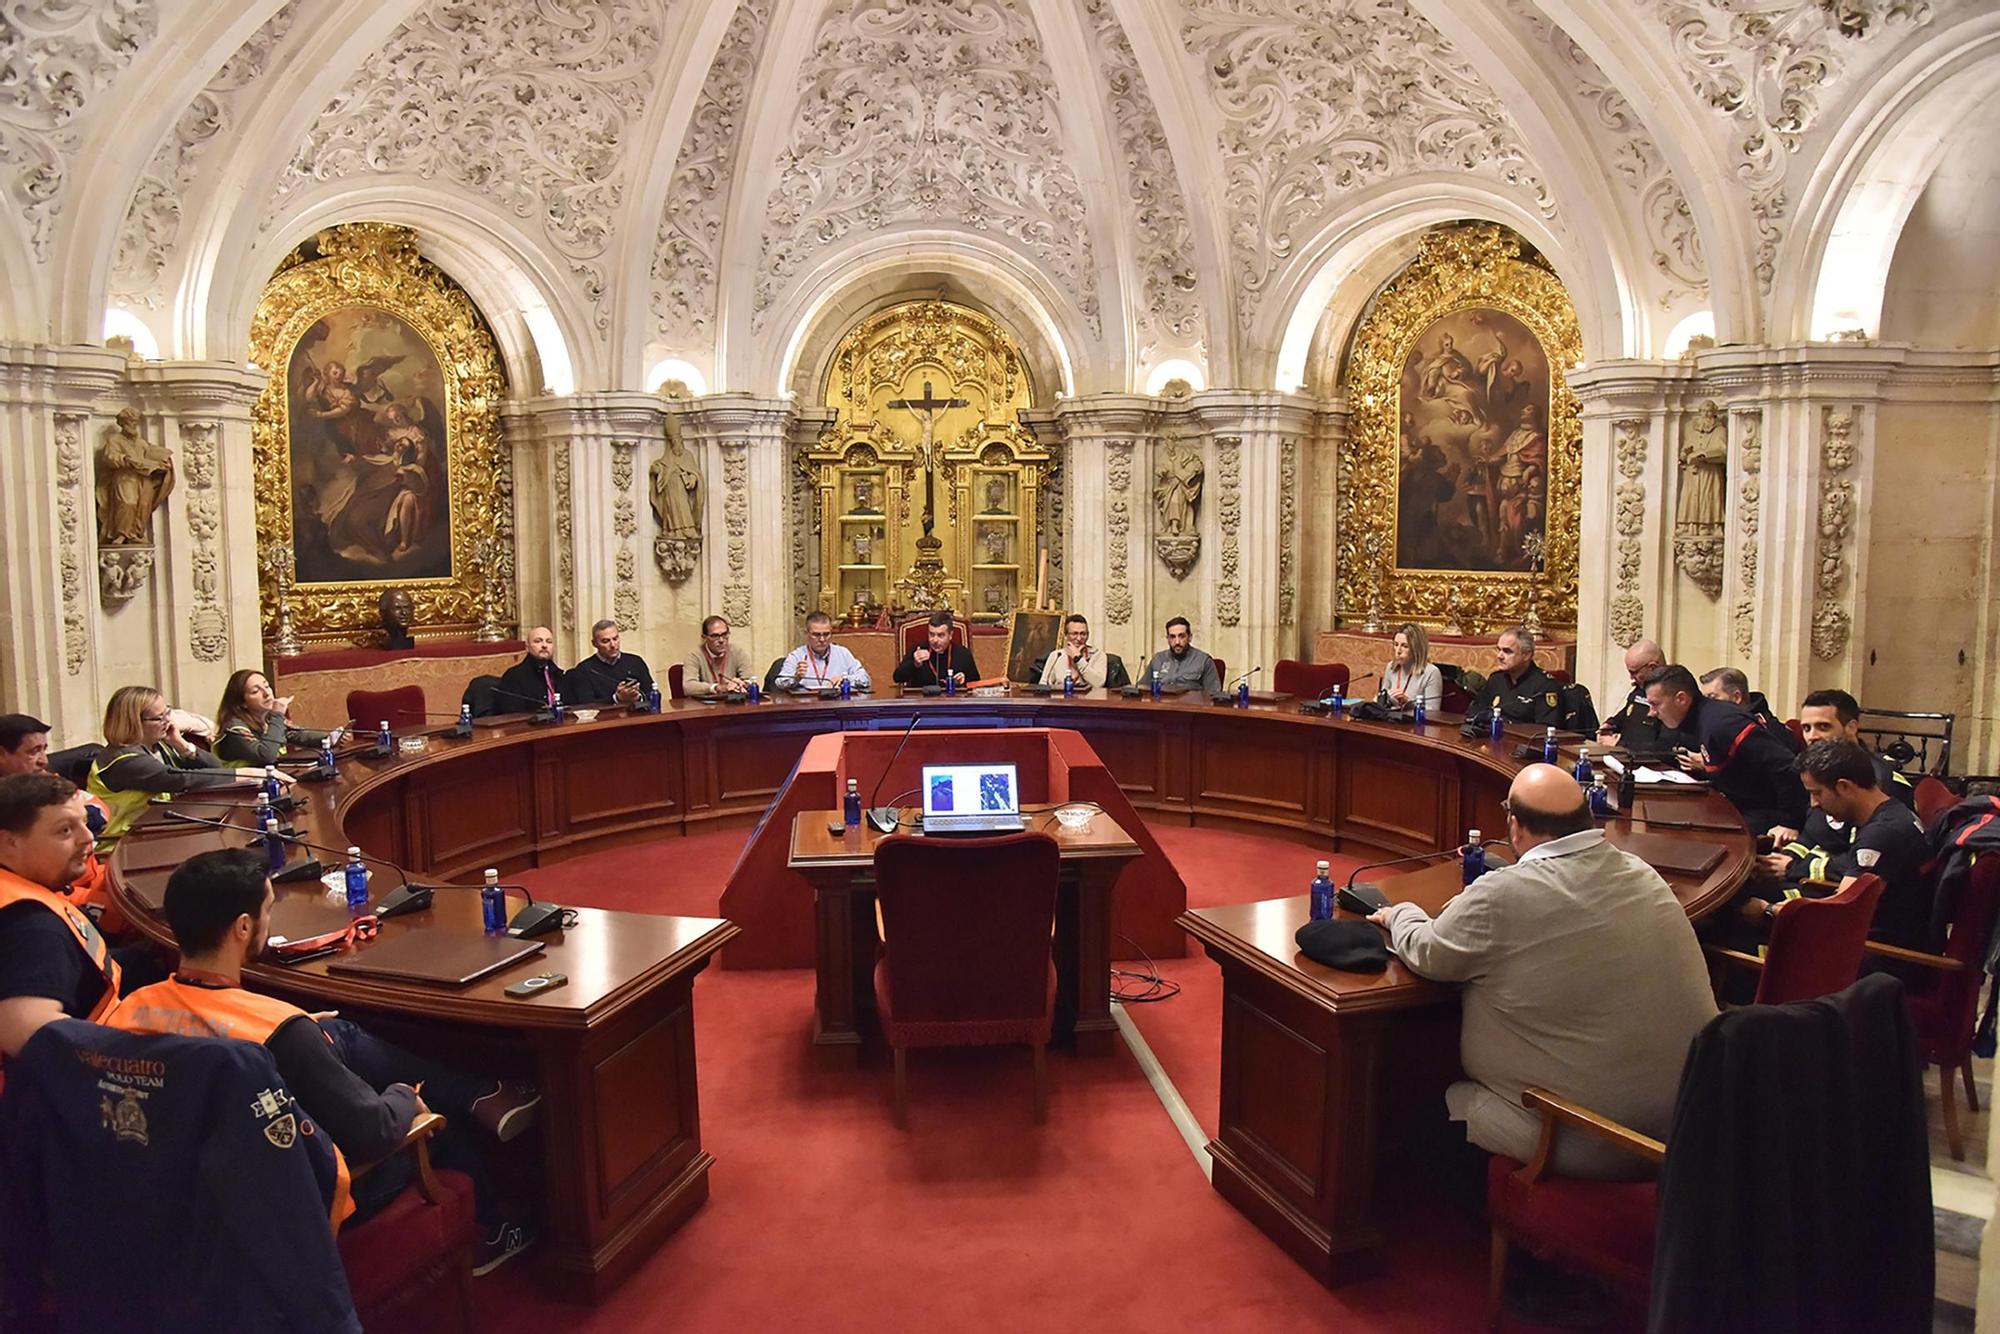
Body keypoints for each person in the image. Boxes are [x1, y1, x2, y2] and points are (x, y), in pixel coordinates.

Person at [110, 848, 541, 1272]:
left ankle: (479, 1094)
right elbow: (375, 1131)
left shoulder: (130, 1008)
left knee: (335, 1033)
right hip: (293, 1199)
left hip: (172, 1192)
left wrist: (305, 1037)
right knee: (436, 1119)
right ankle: (492, 1231)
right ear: (243, 927)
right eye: (268, 910)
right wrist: (404, 1095)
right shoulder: (280, 1030)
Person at [1368, 765, 1715, 1179]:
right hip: (1688, 1124)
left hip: (1590, 1137)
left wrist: (1400, 913)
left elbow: (1427, 952)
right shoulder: (1641, 872)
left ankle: (1516, 1218)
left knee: (1416, 1117)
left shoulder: (1502, 893)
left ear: (1515, 827)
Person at [1738, 740, 1931, 952]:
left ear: (1844, 787)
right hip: (1874, 934)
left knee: (1732, 939)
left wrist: (1769, 910)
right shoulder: (1892, 813)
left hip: (1872, 954)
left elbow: (1840, 915)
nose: (1814, 804)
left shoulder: (1880, 836)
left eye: (1817, 793)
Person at [0, 774, 121, 1061]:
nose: (88, 837)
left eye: (84, 823)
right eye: (65, 830)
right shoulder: (32, 928)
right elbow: (27, 1034)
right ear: (9, 842)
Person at [87, 686, 285, 843]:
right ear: (134, 723)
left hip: (156, 828)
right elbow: (180, 779)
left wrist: (182, 745)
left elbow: (216, 767)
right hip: (124, 843)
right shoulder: (123, 760)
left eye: (167, 712)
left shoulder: (159, 745)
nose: (168, 721)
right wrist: (249, 773)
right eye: (159, 718)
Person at [1642, 664, 1808, 842]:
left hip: (1768, 811)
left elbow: (1785, 765)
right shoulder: (1698, 720)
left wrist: (1789, 822)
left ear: (1681, 699)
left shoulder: (1723, 724)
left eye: (1655, 704)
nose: (1651, 713)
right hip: (1739, 804)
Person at [1796, 688, 1914, 808]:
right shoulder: (1807, 772)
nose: (1812, 736)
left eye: (1823, 727)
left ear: (1851, 727)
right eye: (1806, 728)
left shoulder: (1883, 779)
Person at [1595, 639, 1695, 754]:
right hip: (1625, 757)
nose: (1631, 678)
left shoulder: (1671, 694)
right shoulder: (1640, 688)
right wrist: (1611, 724)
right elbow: (1627, 713)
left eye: (1634, 672)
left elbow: (1665, 748)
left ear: (1652, 667)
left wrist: (1620, 744)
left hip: (1649, 761)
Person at [213, 669, 329, 766]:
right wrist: (277, 715)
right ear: (242, 703)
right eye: (255, 691)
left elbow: (297, 735)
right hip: (244, 786)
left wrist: (331, 737)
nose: (267, 693)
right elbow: (266, 756)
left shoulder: (267, 719)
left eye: (267, 686)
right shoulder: (235, 729)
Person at [1472, 625, 1563, 728]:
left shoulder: (1544, 685)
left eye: (1507, 651)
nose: (1499, 656)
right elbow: (1474, 711)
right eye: (1499, 650)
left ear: (1526, 655)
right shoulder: (1496, 679)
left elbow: (1546, 728)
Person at [1699, 666, 1802, 754]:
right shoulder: (1711, 723)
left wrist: (1707, 764)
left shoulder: (1768, 730)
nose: (1707, 705)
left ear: (1736, 697)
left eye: (1712, 698)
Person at [562, 619, 654, 708]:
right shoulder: (584, 670)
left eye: (615, 639)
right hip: (604, 718)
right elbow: (586, 705)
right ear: (594, 644)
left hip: (637, 715)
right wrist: (617, 698)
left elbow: (652, 694)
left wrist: (637, 697)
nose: (613, 645)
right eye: (606, 641)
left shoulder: (635, 662)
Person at [777, 612, 871, 692]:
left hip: (836, 704)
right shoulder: (796, 656)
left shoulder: (843, 653)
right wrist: (796, 678)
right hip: (807, 704)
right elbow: (779, 683)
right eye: (816, 635)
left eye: (826, 634)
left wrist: (845, 680)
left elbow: (865, 679)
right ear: (807, 634)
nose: (822, 639)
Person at [892, 611, 980, 688]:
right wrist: (914, 664)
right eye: (931, 634)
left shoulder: (963, 654)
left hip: (953, 700)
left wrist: (964, 680)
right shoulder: (918, 650)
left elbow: (976, 684)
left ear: (950, 635)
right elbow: (897, 678)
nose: (935, 640)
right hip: (922, 700)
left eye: (940, 635)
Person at [1143, 616, 1221, 694]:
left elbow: (1213, 694)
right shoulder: (1158, 660)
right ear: (1168, 639)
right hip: (1161, 701)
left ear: (1189, 637)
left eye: (1182, 636)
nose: (1177, 642)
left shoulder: (1204, 661)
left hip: (1191, 701)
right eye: (1172, 637)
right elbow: (1142, 688)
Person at [682, 615, 754, 697]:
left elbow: (750, 679)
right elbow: (688, 687)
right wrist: (716, 688)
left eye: (724, 634)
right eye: (715, 636)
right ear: (704, 637)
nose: (721, 640)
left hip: (732, 702)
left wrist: (743, 684)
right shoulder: (694, 656)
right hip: (705, 703)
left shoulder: (737, 652)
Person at [497, 625, 564, 711]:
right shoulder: (514, 676)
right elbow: (511, 714)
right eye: (538, 641)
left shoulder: (558, 674)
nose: (544, 645)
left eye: (549, 641)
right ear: (527, 647)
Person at [1379, 623, 1442, 712]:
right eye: (1396, 644)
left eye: (1405, 646)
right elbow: (1382, 701)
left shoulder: (1431, 672)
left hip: (1414, 720)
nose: (1398, 651)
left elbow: (1433, 711)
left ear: (1416, 649)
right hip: (1391, 718)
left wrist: (1408, 703)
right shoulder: (1391, 667)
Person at [1039, 614, 1108, 690]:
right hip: (1060, 696)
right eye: (1074, 634)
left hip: (1089, 697)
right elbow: (1043, 685)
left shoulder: (1098, 655)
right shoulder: (1056, 655)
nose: (1079, 638)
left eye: (1083, 634)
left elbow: (1099, 684)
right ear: (1066, 635)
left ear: (1088, 635)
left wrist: (1078, 659)